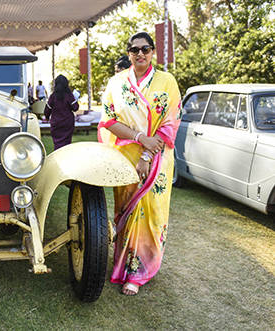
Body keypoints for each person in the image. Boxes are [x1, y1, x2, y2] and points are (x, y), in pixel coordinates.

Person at [98, 31, 182, 295]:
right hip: (125, 159)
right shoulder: (116, 82)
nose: (140, 54)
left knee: (151, 214)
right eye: (134, 50)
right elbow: (109, 120)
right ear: (128, 52)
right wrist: (139, 138)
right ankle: (122, 266)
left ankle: (139, 272)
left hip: (156, 159)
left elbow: (170, 123)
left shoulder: (167, 81)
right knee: (125, 210)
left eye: (145, 49)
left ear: (153, 51)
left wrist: (147, 153)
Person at [44, 74, 79, 150]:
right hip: (67, 123)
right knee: (66, 143)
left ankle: (57, 155)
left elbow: (47, 110)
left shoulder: (53, 96)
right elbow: (75, 108)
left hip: (56, 123)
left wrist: (47, 118)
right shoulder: (69, 95)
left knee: (57, 143)